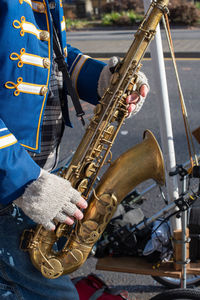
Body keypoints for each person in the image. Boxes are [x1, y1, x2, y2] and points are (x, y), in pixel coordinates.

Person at [0, 1, 149, 299]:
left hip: (34, 181)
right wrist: (23, 179)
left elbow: (50, 52)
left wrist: (106, 80)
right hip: (14, 192)